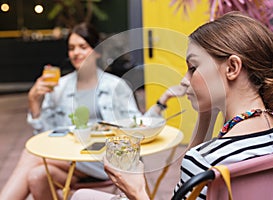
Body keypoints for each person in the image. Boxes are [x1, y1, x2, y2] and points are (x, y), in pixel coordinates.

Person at [70, 11, 273, 200]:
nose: (184, 79)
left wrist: (137, 190)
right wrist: (205, 113)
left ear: (232, 68)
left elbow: (192, 168)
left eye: (193, 67)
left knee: (79, 197)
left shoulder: (206, 162)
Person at [0, 22, 186, 200]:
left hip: (102, 159)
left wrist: (162, 102)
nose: (76, 53)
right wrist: (34, 102)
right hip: (70, 158)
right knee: (37, 177)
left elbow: (138, 126)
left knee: (31, 156)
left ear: (96, 51)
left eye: (82, 46)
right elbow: (46, 137)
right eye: (72, 48)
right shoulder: (59, 87)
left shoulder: (115, 86)